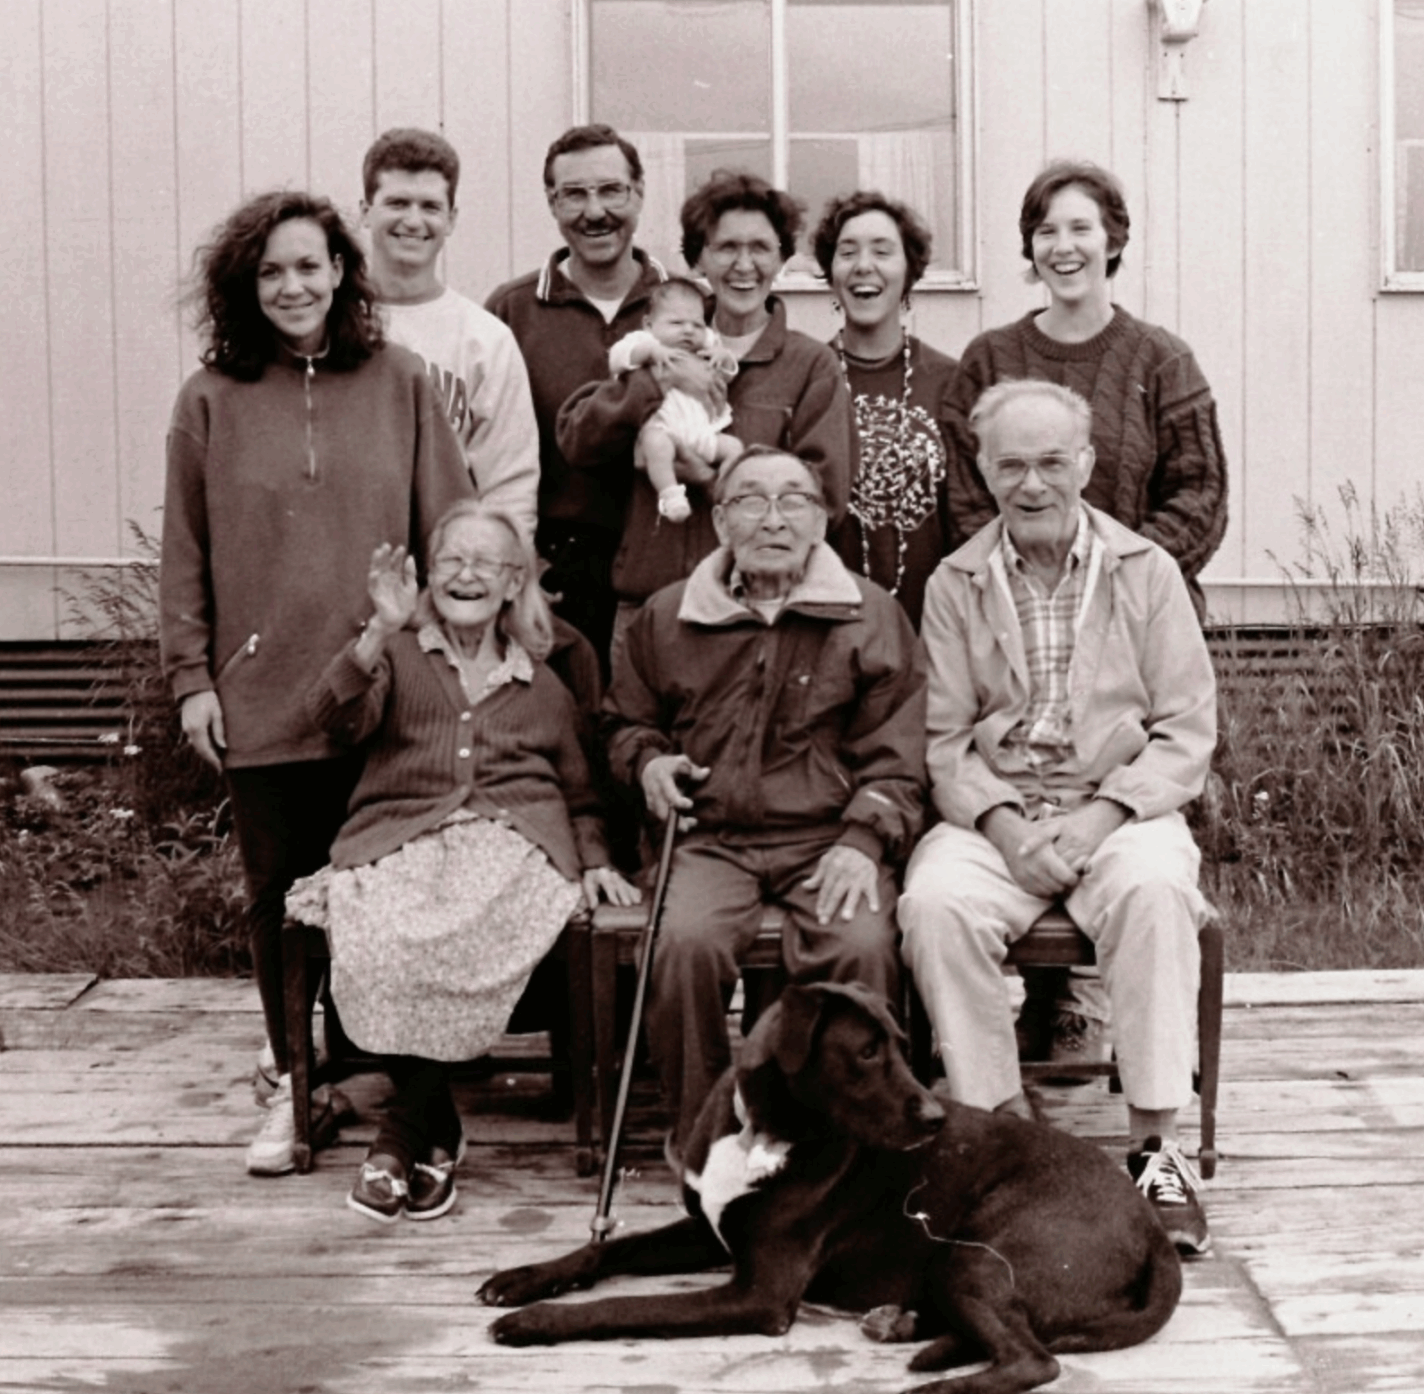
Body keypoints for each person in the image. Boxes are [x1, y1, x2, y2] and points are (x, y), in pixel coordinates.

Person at [159, 190, 473, 1177]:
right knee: (278, 900)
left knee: (385, 893)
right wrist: (190, 680)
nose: (292, 285)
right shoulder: (208, 397)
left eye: (309, 265)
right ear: (244, 288)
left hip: (385, 688)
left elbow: (454, 528)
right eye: (270, 271)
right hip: (258, 695)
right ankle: (295, 1083)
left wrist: (441, 659)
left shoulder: (402, 380)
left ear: (342, 271)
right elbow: (183, 553)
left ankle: (384, 1088)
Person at [897, 379, 1216, 1257]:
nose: (1030, 484)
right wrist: (1003, 827)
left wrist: (1103, 816)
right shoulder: (956, 582)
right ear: (985, 470)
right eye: (1010, 465)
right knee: (934, 905)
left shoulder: (1148, 573)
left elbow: (1187, 729)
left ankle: (1157, 1148)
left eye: (1049, 463)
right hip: (998, 812)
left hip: (1119, 809)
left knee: (1155, 892)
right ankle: (1005, 1143)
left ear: (1086, 464)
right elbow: (944, 736)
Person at [941, 160, 1229, 1069]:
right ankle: (1029, 1044)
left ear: (1113, 240)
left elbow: (1202, 492)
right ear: (1028, 248)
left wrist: (1120, 573)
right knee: (963, 876)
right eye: (1046, 231)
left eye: (1081, 228)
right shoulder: (990, 356)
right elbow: (965, 494)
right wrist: (1023, 563)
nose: (1064, 247)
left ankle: (1139, 1096)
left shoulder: (1160, 358)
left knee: (1141, 854)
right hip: (1009, 608)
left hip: (1132, 621)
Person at [286, 501, 639, 1222]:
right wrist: (379, 629)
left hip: (513, 844)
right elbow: (332, 718)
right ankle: (429, 1126)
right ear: (428, 576)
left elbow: (579, 793)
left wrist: (596, 856)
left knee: (473, 913)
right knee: (380, 923)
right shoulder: (398, 653)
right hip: (401, 838)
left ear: (515, 583)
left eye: (486, 563)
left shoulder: (545, 682)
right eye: (452, 561)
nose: (467, 574)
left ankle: (402, 1134)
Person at [604, 445, 926, 1159]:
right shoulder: (666, 615)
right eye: (751, 500)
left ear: (820, 523)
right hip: (709, 837)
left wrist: (863, 842)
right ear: (720, 521)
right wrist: (649, 763)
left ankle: (847, 1138)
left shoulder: (870, 616)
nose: (772, 519)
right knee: (682, 944)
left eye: (794, 502)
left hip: (828, 839)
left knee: (864, 945)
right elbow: (624, 724)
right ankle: (706, 1137)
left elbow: (899, 755)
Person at [559, 170, 852, 666]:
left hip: (762, 615)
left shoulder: (810, 367)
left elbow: (825, 497)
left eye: (761, 247)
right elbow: (577, 439)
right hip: (649, 609)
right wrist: (660, 382)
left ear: (783, 258)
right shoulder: (654, 346)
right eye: (725, 248)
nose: (744, 265)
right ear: (698, 258)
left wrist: (706, 478)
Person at [486, 124, 667, 664]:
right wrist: (519, 566)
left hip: (665, 562)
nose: (595, 212)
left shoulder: (686, 307)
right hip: (554, 574)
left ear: (639, 192)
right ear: (551, 203)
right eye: (575, 194)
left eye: (611, 190)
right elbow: (482, 454)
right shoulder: (509, 312)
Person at [360, 128, 539, 540]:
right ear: (365, 211)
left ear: (451, 219)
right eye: (397, 203)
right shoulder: (326, 323)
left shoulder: (485, 339)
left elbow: (509, 487)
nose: (413, 220)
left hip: (445, 571)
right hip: (344, 559)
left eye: (430, 206)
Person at [811, 191, 957, 629]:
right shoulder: (807, 377)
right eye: (847, 251)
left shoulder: (951, 381)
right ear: (831, 271)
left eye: (882, 251)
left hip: (935, 627)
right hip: (827, 626)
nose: (863, 266)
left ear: (910, 269)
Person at [606, 277, 743, 523]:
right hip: (664, 428)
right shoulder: (644, 341)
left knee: (735, 448)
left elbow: (728, 377)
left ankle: (727, 491)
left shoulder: (705, 347)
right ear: (649, 324)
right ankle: (670, 495)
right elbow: (616, 358)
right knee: (655, 445)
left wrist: (723, 357)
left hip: (702, 432)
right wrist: (650, 352)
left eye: (697, 325)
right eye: (677, 323)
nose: (689, 330)